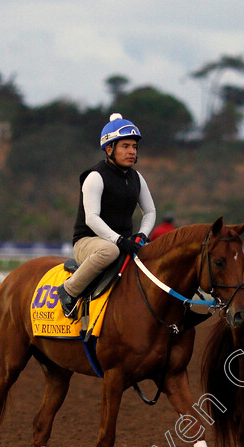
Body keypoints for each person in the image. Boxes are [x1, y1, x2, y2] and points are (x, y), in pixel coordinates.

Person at [57, 113, 157, 318]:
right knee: (109, 251)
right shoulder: (95, 177)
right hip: (89, 242)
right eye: (125, 146)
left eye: (134, 147)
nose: (132, 151)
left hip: (122, 243)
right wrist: (120, 241)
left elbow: (150, 212)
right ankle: (69, 290)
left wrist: (141, 236)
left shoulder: (137, 177)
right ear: (109, 149)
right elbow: (91, 218)